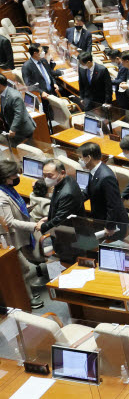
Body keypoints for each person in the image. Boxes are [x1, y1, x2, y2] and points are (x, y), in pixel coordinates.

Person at [0, 160, 45, 308]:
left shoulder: (7, 189)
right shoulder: (2, 197)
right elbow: (10, 222)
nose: (16, 177)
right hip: (11, 238)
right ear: (4, 176)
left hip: (19, 232)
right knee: (23, 268)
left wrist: (26, 209)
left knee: (24, 267)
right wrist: (34, 225)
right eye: (13, 175)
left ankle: (28, 293)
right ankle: (28, 299)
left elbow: (15, 209)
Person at [79, 142, 128, 238]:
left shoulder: (106, 177)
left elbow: (114, 205)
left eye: (81, 157)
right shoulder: (93, 171)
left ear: (88, 158)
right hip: (100, 218)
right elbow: (87, 191)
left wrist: (110, 226)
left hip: (113, 225)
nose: (79, 160)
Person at [37, 159, 85, 234]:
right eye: (44, 175)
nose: (46, 178)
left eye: (50, 175)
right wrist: (50, 218)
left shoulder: (67, 194)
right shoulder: (66, 180)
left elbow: (60, 219)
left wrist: (43, 226)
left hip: (70, 235)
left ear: (62, 173)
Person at [0, 75, 35, 143]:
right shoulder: (3, 93)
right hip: (11, 126)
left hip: (22, 130)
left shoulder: (14, 96)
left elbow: (19, 114)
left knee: (27, 151)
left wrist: (13, 129)